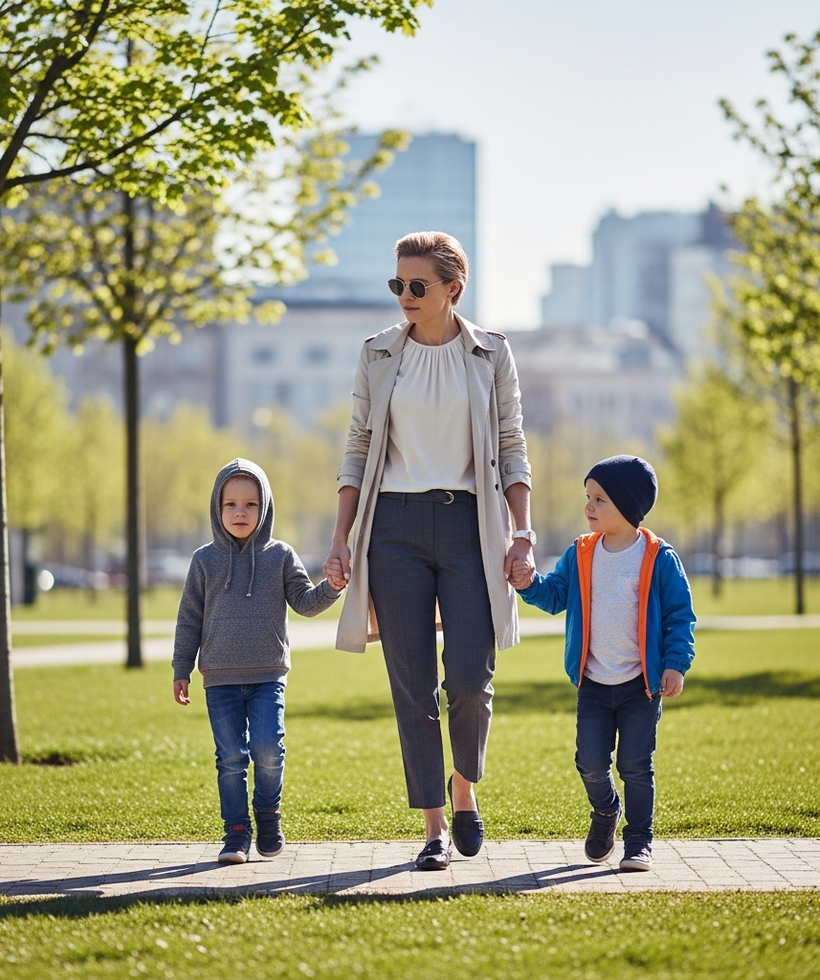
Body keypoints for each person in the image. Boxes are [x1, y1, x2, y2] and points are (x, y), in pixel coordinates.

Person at [323, 231, 535, 871]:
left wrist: (521, 530)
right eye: (398, 285)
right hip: (393, 528)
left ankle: (463, 786)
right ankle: (434, 828)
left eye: (418, 286)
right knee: (412, 686)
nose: (406, 296)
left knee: (470, 680)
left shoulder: (490, 353)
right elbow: (358, 447)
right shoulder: (378, 354)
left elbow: (512, 445)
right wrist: (341, 535)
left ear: (452, 290)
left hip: (472, 527)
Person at [509, 455, 696, 871]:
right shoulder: (580, 553)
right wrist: (528, 584)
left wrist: (675, 663)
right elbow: (555, 594)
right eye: (587, 497)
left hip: (641, 685)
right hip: (593, 683)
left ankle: (638, 843)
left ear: (628, 507)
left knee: (635, 764)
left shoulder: (658, 557)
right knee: (590, 763)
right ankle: (605, 810)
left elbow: (680, 616)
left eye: (600, 499)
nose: (589, 507)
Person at [173, 458, 343, 864]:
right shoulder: (203, 561)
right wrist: (182, 669)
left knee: (269, 750)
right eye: (231, 504)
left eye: (250, 504)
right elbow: (188, 619)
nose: (240, 512)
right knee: (230, 758)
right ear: (217, 508)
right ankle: (236, 834)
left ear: (264, 507)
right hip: (219, 677)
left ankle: (267, 815)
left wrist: (332, 587)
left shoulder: (280, 556)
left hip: (268, 675)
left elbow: (304, 602)